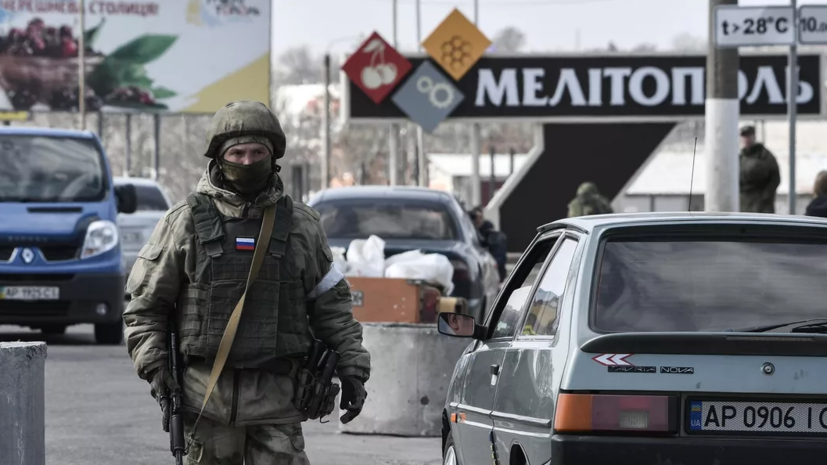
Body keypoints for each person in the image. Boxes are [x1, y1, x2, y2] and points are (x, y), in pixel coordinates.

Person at [123, 101, 371, 465]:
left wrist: (353, 370)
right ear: (219, 158)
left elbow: (332, 308)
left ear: (273, 158)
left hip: (278, 403)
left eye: (257, 152)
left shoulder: (302, 225)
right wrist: (155, 367)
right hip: (204, 400)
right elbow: (145, 307)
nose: (247, 161)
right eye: (237, 153)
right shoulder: (184, 223)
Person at [739, 125, 780, 213]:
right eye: (744, 136)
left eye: (749, 136)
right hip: (744, 202)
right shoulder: (740, 158)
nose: (747, 139)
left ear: (754, 136)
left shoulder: (765, 155)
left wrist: (767, 195)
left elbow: (775, 177)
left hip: (761, 204)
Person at [470, 206, 508, 282]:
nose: (477, 220)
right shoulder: (468, 230)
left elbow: (498, 255)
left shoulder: (489, 231)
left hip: (491, 271)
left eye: (479, 217)